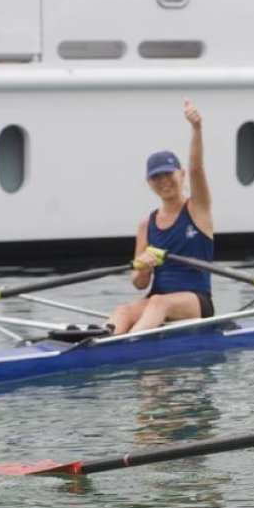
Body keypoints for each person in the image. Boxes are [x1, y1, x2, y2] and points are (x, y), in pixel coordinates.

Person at [106, 98, 215, 335]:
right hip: (157, 302)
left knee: (158, 302)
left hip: (196, 302)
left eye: (168, 174)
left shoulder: (198, 209)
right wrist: (143, 268)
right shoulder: (147, 224)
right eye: (156, 177)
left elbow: (198, 169)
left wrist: (196, 128)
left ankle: (129, 346)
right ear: (149, 183)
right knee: (123, 310)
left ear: (182, 174)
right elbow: (139, 283)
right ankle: (97, 344)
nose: (164, 181)